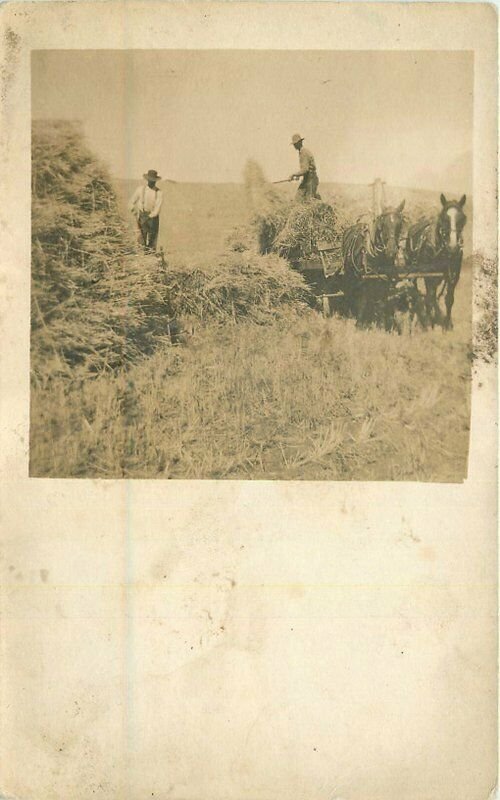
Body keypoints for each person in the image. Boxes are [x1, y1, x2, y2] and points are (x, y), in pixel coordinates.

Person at [129, 169, 163, 251]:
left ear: (156, 181)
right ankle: (142, 256)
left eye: (153, 181)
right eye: (150, 180)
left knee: (152, 240)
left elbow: (157, 208)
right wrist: (133, 210)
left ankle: (151, 256)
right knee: (141, 239)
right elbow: (131, 202)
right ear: (147, 180)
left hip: (153, 218)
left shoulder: (159, 192)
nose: (152, 182)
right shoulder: (140, 189)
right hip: (142, 216)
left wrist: (151, 216)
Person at [289, 134, 321, 201]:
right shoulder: (302, 152)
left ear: (300, 142)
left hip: (311, 179)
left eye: (296, 144)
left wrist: (293, 175)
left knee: (309, 200)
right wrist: (298, 175)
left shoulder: (304, 152)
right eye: (294, 144)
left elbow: (305, 169)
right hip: (307, 178)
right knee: (298, 198)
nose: (294, 146)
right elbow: (305, 170)